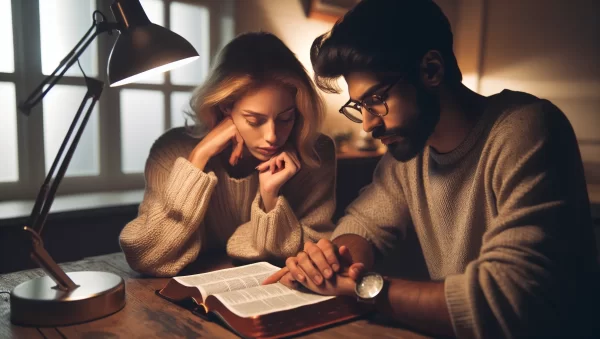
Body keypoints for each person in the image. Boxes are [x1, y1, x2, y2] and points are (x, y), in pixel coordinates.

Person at [264, 0, 599, 337]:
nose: (367, 124)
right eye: (360, 106)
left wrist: (364, 287)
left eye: (376, 99)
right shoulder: (407, 155)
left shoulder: (528, 130)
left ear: (431, 70)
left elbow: (508, 298)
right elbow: (362, 225)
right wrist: (331, 262)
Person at [120, 32, 337, 277]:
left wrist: (270, 198)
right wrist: (198, 158)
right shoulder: (170, 150)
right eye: (255, 120)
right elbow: (146, 256)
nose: (273, 136)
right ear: (225, 106)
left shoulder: (316, 153)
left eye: (286, 118)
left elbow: (317, 251)